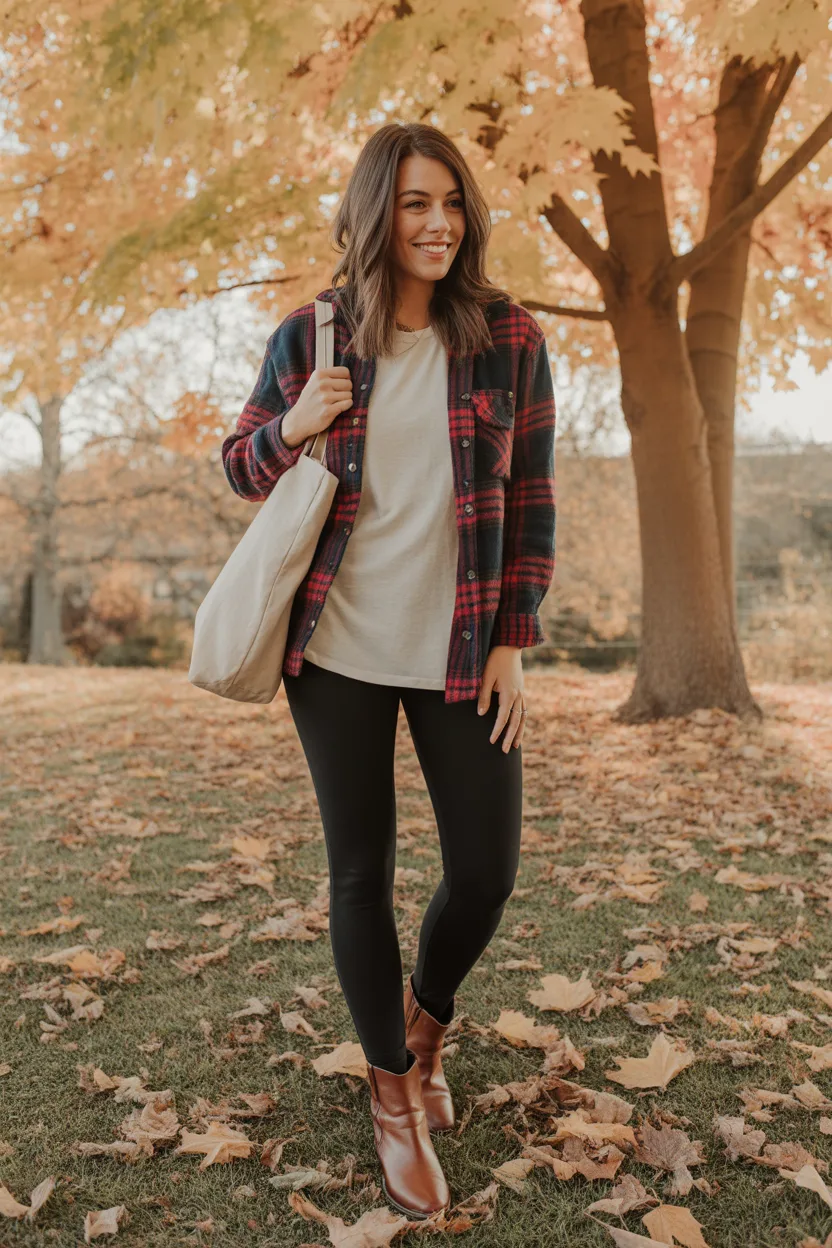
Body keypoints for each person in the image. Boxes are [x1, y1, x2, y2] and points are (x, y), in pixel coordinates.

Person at [221, 121, 556, 1219]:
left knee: (488, 870)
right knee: (359, 873)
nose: (438, 224)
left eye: (451, 202)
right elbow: (238, 464)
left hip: (462, 646)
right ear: (377, 212)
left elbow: (536, 499)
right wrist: (294, 427)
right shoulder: (310, 335)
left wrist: (514, 638)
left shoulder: (507, 338)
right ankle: (392, 1094)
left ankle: (426, 1021)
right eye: (414, 203)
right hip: (341, 648)